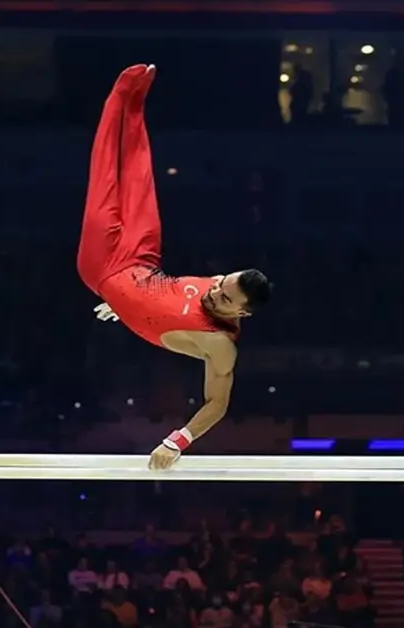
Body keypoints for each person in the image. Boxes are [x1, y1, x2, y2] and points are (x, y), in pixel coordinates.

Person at [76, 64, 273, 471]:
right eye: (220, 282)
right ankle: (135, 106)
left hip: (103, 269)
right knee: (139, 178)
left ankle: (117, 98)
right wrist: (126, 304)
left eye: (223, 297)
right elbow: (160, 297)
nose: (213, 289)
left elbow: (217, 404)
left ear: (242, 313)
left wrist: (176, 441)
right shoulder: (217, 285)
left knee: (105, 183)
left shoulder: (219, 344)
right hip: (142, 260)